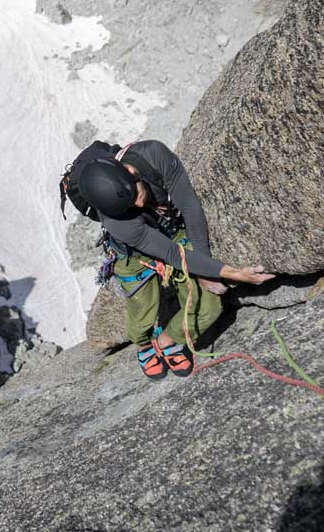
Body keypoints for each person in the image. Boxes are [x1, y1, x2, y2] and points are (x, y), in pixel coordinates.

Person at [65, 139, 273, 379]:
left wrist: (206, 269)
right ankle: (143, 345)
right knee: (142, 312)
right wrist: (230, 272)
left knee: (209, 306)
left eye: (136, 194)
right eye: (130, 205)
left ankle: (166, 340)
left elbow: (190, 207)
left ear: (132, 172)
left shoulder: (153, 155)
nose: (139, 203)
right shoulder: (117, 222)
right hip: (131, 251)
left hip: (169, 228)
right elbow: (171, 254)